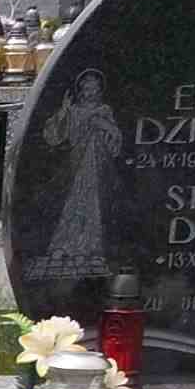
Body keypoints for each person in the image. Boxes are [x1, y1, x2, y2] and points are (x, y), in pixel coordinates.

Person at [32, 68, 121, 280]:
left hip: (97, 168)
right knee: (71, 206)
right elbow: (54, 136)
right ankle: (63, 245)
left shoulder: (104, 111)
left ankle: (90, 248)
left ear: (100, 90)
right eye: (86, 88)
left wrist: (107, 127)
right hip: (74, 167)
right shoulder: (72, 110)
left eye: (94, 88)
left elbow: (115, 140)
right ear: (80, 89)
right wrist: (63, 112)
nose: (90, 92)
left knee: (92, 207)